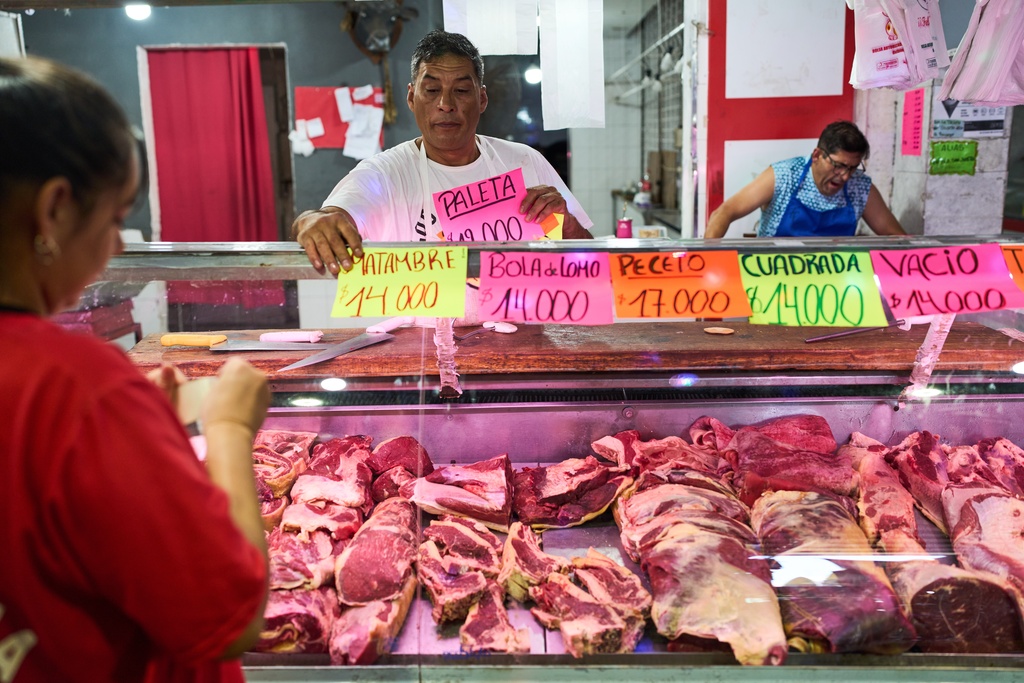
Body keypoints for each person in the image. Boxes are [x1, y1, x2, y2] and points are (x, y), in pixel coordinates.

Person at [0, 56, 270, 682]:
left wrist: (139, 430)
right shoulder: (75, 386)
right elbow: (231, 616)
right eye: (117, 215)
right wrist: (229, 426)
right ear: (54, 209)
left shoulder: (85, 394)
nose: (118, 244)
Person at [294, 29, 594, 276]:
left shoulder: (524, 160)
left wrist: (565, 221)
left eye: (462, 91)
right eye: (432, 90)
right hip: (421, 343)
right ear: (412, 97)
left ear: (482, 98)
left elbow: (593, 261)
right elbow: (335, 214)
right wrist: (312, 219)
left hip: (517, 333)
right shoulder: (384, 173)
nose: (446, 104)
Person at [705, 120, 906, 239]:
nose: (845, 176)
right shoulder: (784, 176)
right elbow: (724, 213)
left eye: (853, 168)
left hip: (833, 290)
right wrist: (708, 265)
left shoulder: (860, 188)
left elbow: (898, 239)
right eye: (838, 165)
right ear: (817, 155)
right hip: (774, 286)